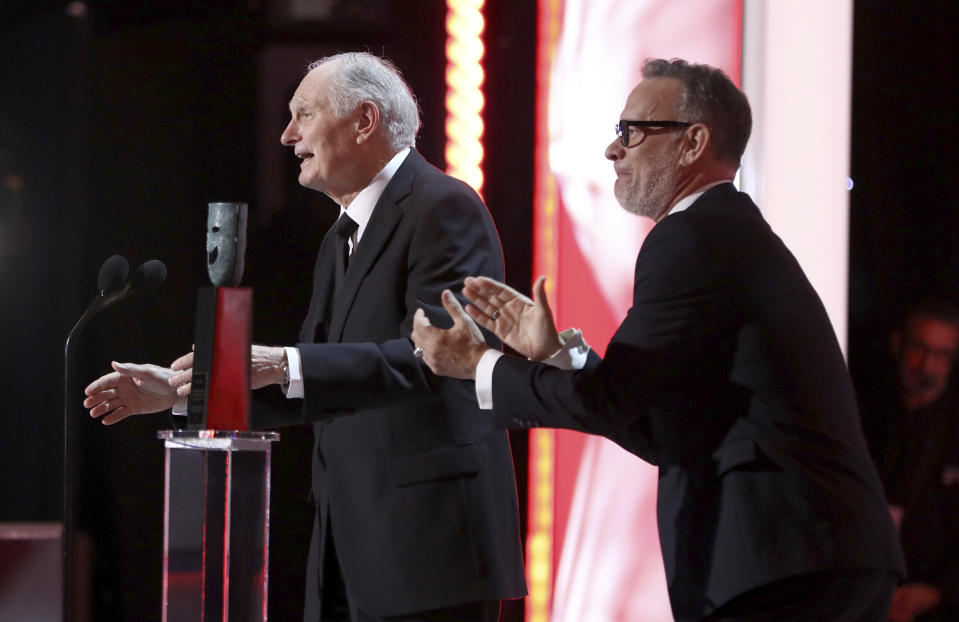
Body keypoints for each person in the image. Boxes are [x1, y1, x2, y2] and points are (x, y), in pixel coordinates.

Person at [411, 58, 905, 621]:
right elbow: (659, 432)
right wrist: (554, 354)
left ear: (693, 142)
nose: (613, 150)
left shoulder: (694, 236)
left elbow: (611, 400)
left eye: (632, 131)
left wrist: (479, 366)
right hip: (808, 556)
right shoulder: (724, 232)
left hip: (789, 559)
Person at [83, 52, 525, 621]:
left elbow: (438, 361)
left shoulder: (444, 207)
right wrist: (182, 390)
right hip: (348, 548)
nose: (289, 136)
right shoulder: (340, 237)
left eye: (304, 114)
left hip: (430, 547)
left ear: (364, 121)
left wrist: (282, 362)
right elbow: (310, 383)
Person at [860, 300, 959, 622]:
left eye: (942, 354)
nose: (927, 365)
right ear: (897, 344)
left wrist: (935, 592)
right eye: (919, 348)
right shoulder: (862, 417)